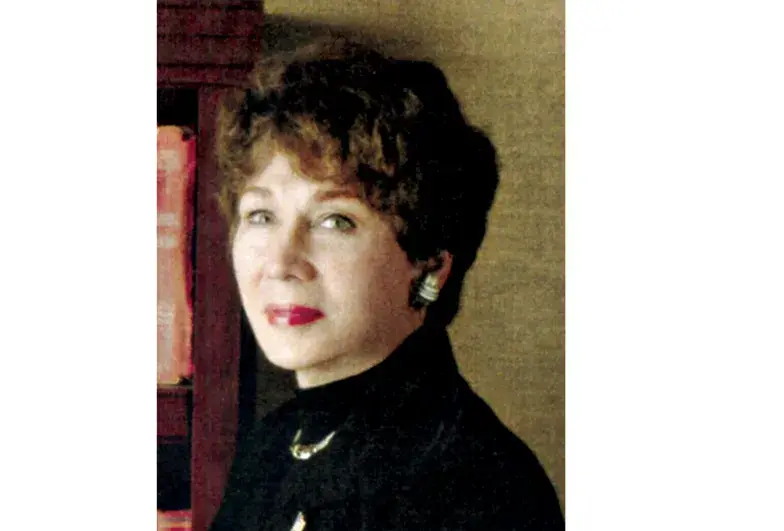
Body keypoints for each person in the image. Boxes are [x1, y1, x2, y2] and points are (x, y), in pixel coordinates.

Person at [209, 39, 563, 530]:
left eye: (335, 221)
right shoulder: (269, 450)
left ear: (429, 266)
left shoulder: (479, 486)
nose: (281, 262)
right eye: (261, 215)